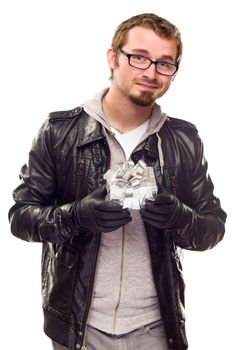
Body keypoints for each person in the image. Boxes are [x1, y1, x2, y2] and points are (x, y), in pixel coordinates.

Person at [8, 12, 226, 350]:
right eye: (139, 57)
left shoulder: (184, 140)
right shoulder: (59, 132)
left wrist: (181, 218)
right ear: (113, 57)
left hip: (156, 327)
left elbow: (213, 227)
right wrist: (76, 215)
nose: (151, 72)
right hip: (78, 326)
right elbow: (21, 218)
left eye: (165, 63)